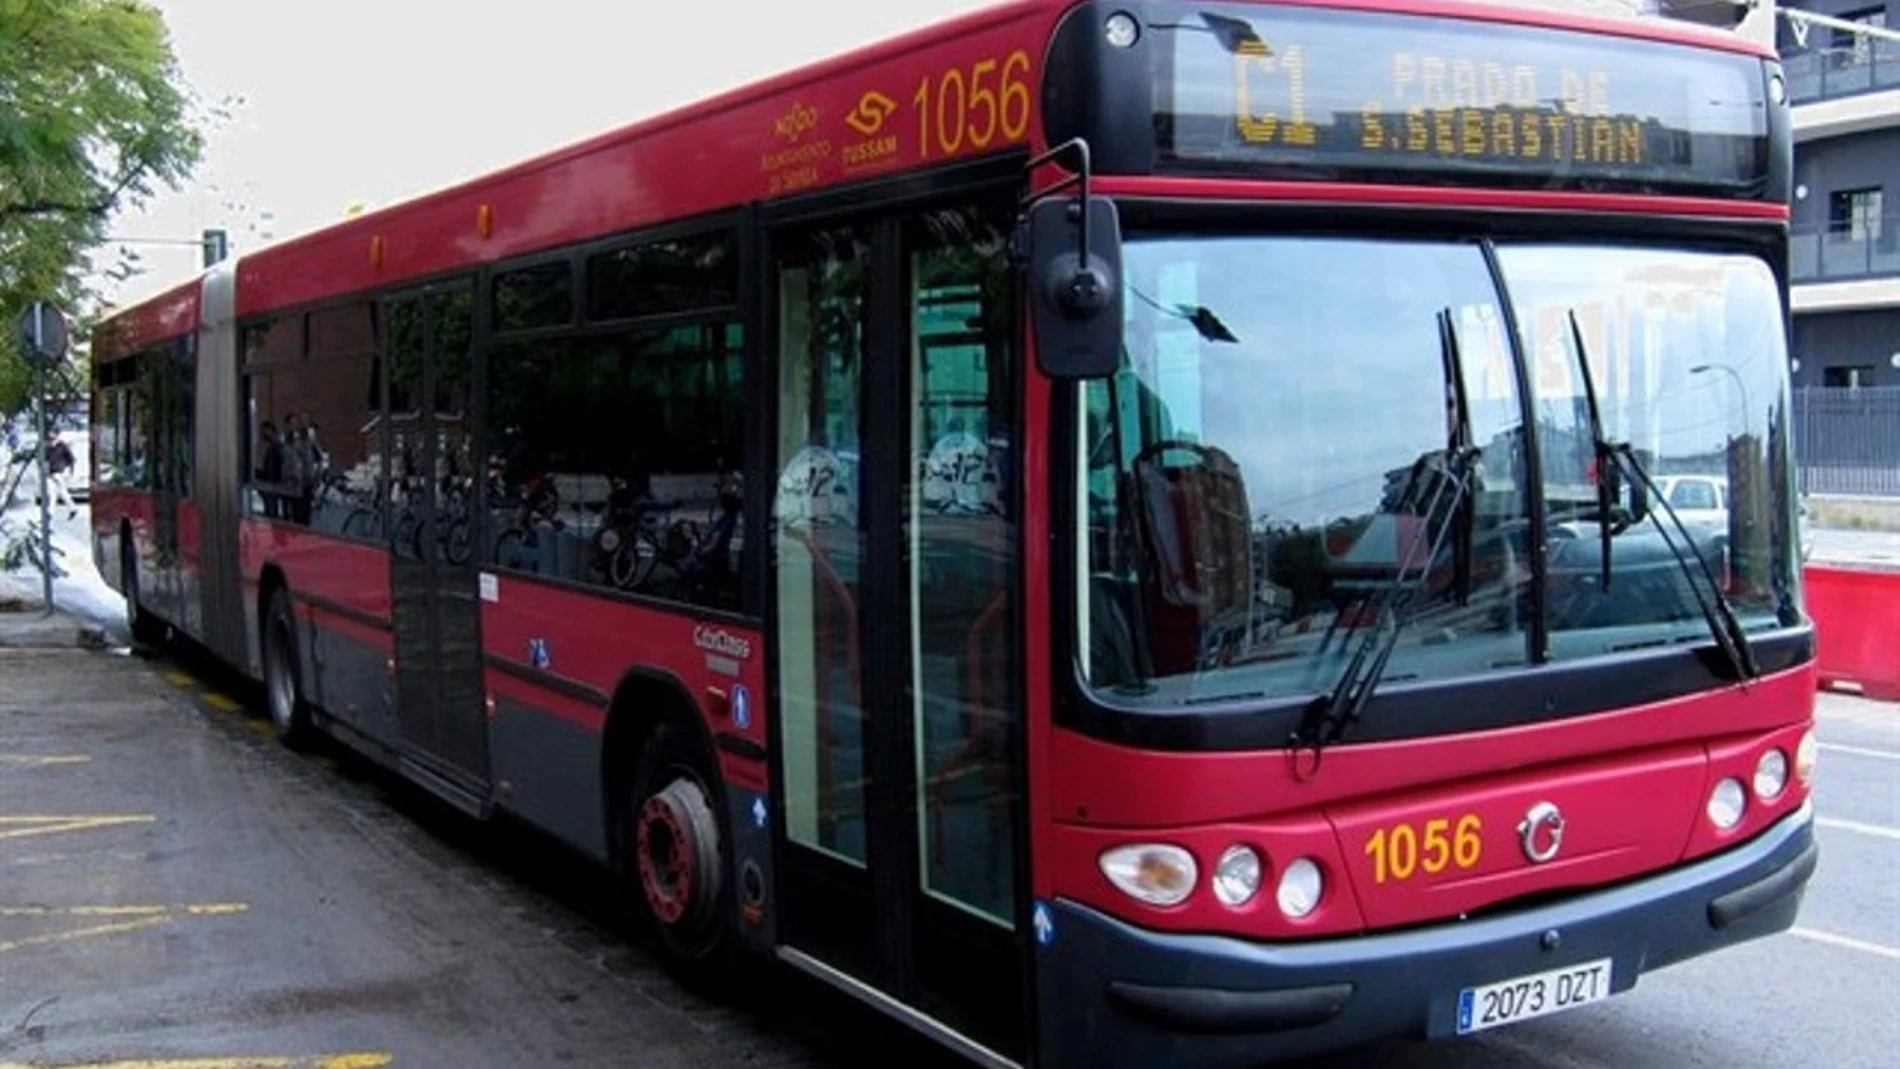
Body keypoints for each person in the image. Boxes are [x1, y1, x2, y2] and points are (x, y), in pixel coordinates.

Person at [44, 430, 78, 520]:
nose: (51, 440)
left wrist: (67, 470)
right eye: (50, 438)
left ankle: (50, 513)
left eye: (53, 437)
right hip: (51, 473)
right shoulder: (48, 448)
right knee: (58, 492)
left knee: (56, 492)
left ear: (57, 436)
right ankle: (72, 509)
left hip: (60, 472)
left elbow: (72, 459)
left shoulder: (62, 446)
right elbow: (46, 460)